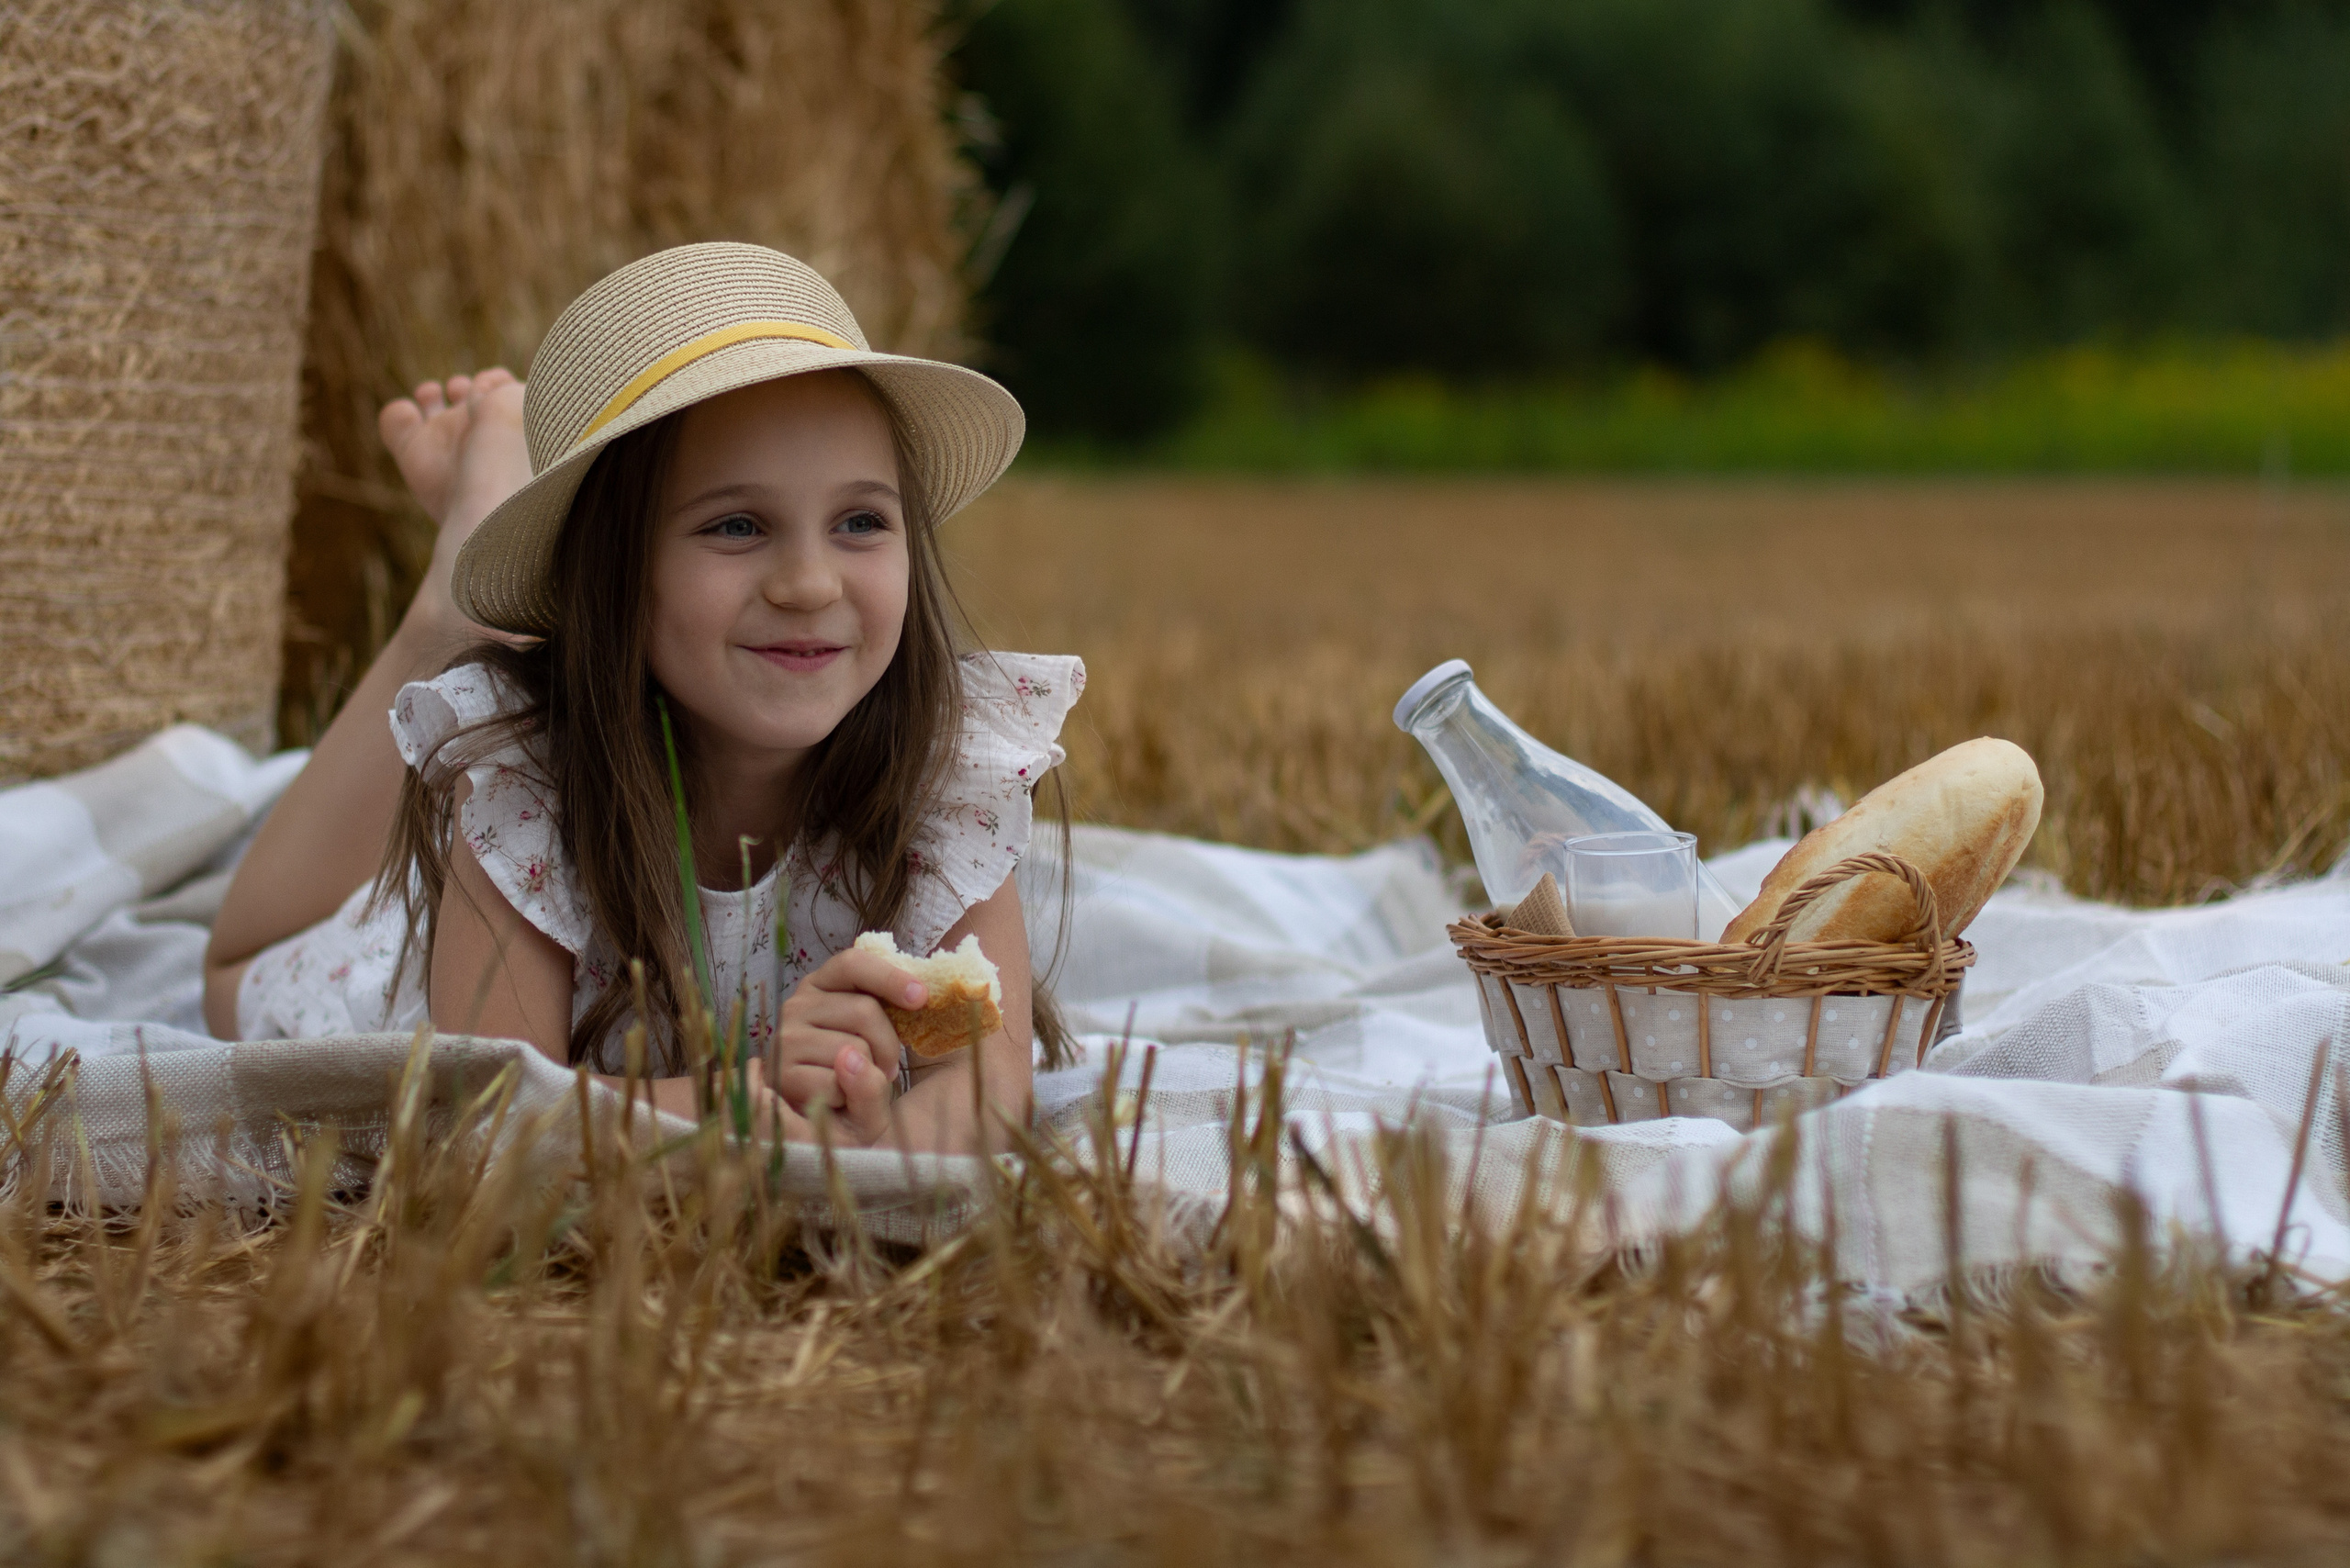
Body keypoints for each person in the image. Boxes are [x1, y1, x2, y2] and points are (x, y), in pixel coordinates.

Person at [202, 242, 1080, 1156]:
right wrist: (747, 1095)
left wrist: (872, 1136)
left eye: (861, 520)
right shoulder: (524, 790)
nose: (811, 582)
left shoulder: (942, 786)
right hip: (385, 970)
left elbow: (981, 1085)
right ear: (612, 570)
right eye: (737, 525)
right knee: (229, 975)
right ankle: (451, 607)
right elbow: (494, 1119)